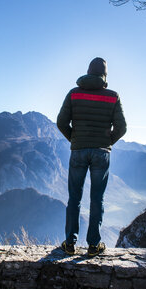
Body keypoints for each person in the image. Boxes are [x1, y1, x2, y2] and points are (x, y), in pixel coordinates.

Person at [57, 57, 127, 257]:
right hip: (101, 153)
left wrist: (75, 139)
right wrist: (107, 142)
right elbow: (122, 127)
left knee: (74, 198)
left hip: (78, 152)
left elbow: (61, 122)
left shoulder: (74, 94)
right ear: (104, 75)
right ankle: (94, 245)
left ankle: (69, 244)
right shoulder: (113, 96)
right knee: (97, 199)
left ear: (88, 72)